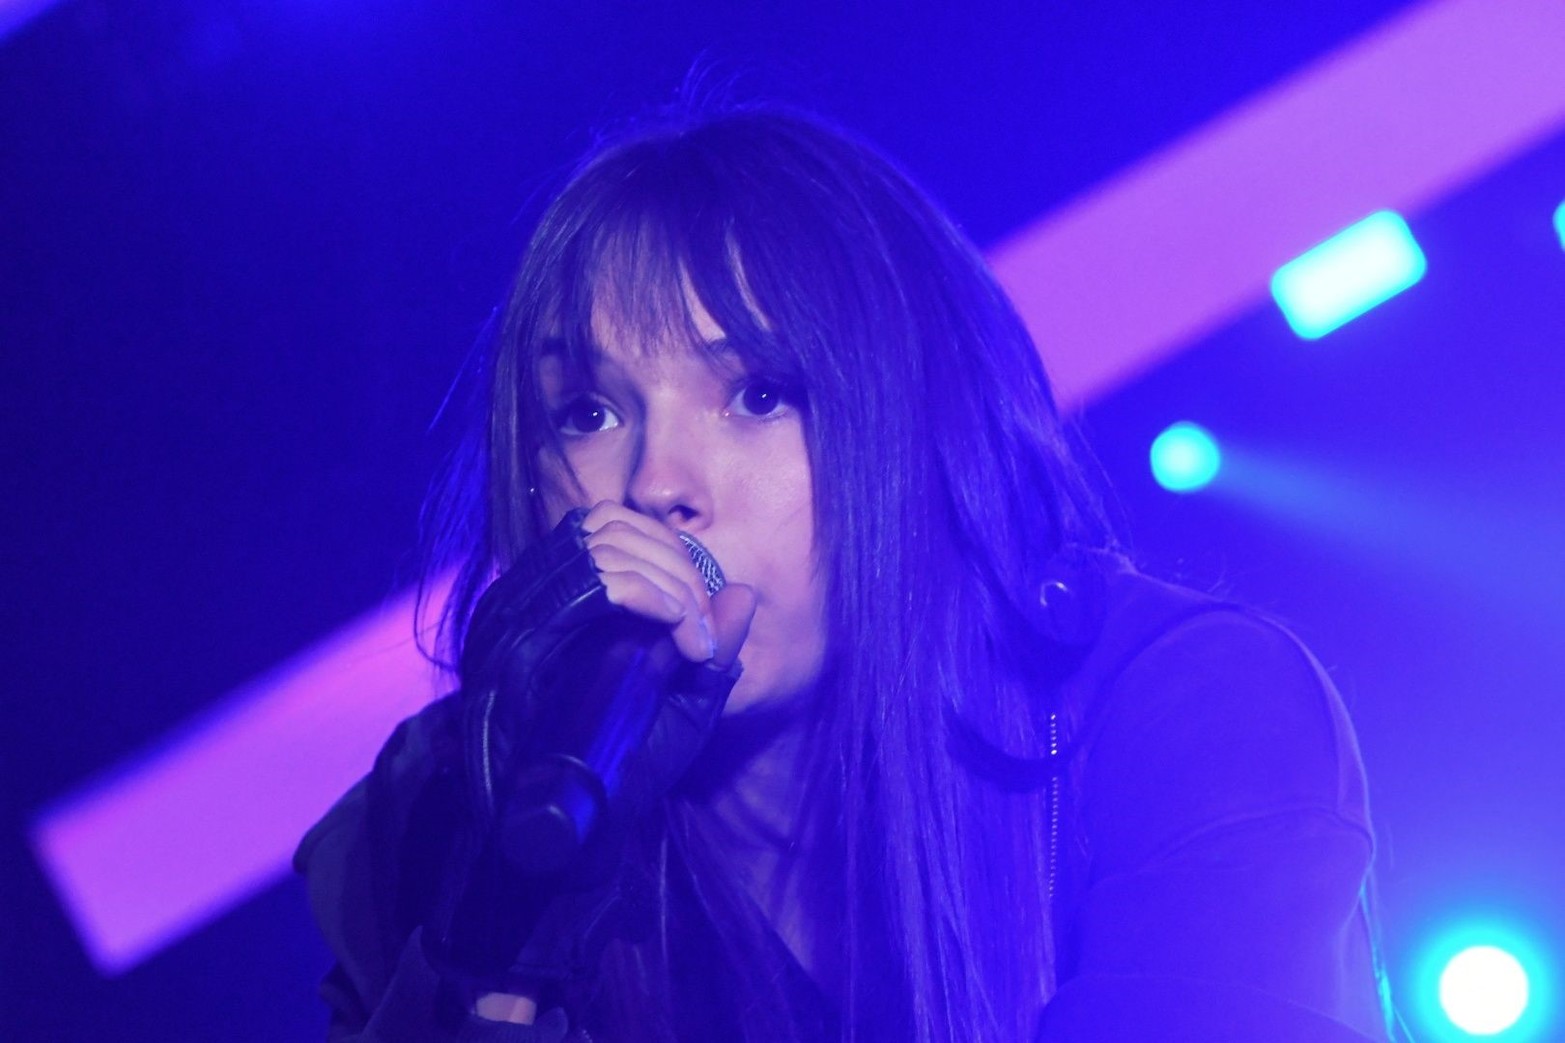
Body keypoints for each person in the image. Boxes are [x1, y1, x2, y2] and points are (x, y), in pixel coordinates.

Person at [296, 103, 1395, 1042]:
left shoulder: (1181, 706)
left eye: (758, 394)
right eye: (587, 413)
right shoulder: (436, 820)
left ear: (910, 426)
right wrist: (506, 922)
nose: (657, 482)